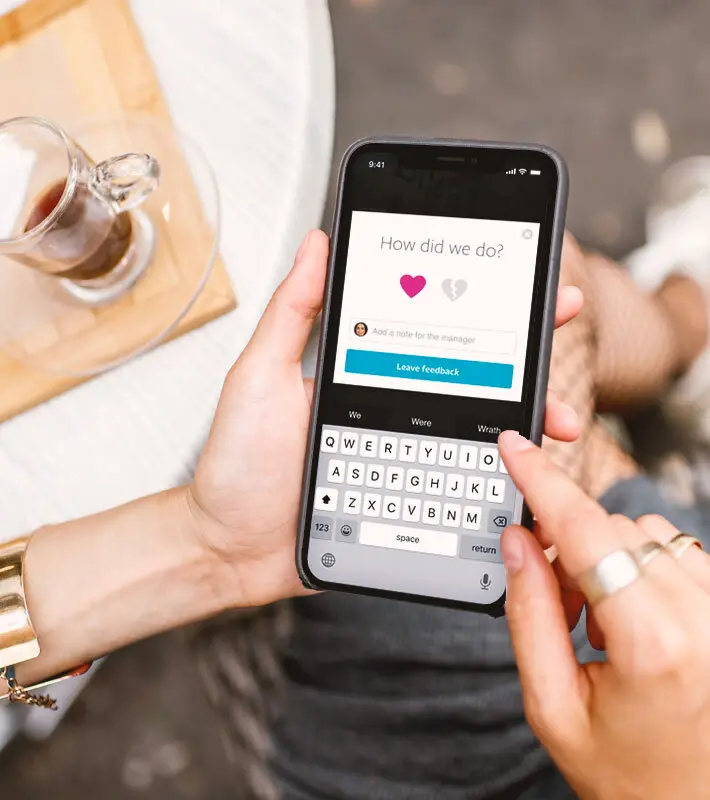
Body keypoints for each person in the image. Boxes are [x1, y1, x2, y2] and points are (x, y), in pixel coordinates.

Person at [1, 157, 710, 798]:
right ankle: (685, 329)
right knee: (551, 337)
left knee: (558, 295)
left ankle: (689, 315)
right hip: (621, 704)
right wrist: (205, 543)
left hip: (437, 752)